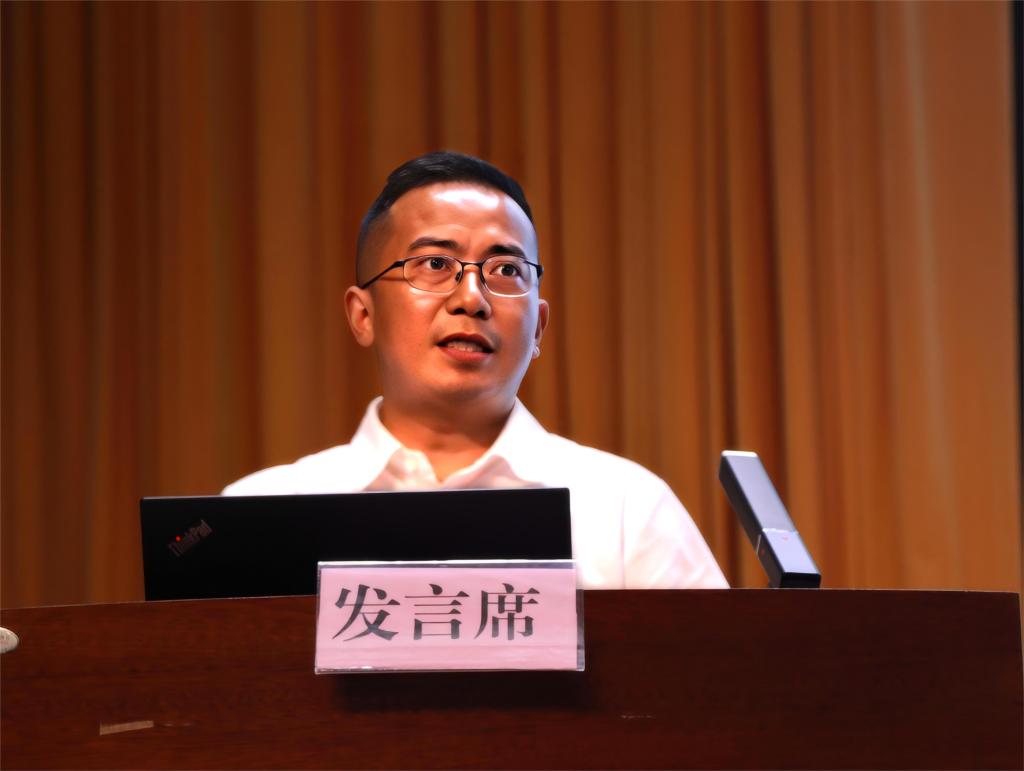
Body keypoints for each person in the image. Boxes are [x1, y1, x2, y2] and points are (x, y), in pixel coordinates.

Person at [224, 151, 727, 590]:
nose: (471, 299)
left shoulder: (626, 511)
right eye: (435, 265)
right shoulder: (258, 513)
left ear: (538, 327)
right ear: (364, 315)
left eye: (506, 270)